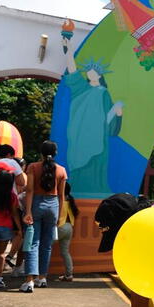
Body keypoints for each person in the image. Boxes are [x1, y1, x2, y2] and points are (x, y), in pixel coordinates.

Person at [62, 39, 123, 195]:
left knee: (97, 163)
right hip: (80, 135)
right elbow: (73, 70)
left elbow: (107, 118)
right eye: (88, 71)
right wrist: (69, 50)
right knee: (79, 161)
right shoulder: (81, 89)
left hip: (98, 136)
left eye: (94, 71)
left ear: (99, 75)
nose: (90, 73)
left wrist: (117, 114)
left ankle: (97, 188)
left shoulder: (104, 93)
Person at [21, 141, 67, 292]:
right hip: (53, 206)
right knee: (47, 245)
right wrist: (60, 215)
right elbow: (61, 196)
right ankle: (42, 278)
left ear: (41, 153)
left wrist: (28, 211)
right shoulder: (61, 170)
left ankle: (29, 281)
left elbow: (29, 191)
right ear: (55, 153)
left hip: (36, 204)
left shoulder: (33, 167)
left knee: (32, 242)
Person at [0, 162, 21, 290]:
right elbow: (15, 213)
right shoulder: (11, 196)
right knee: (1, 254)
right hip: (6, 227)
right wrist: (19, 229)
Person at [55, 182, 79, 282]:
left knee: (44, 249)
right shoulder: (70, 199)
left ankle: (39, 274)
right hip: (69, 227)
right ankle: (69, 275)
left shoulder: (59, 200)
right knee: (65, 252)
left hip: (60, 227)